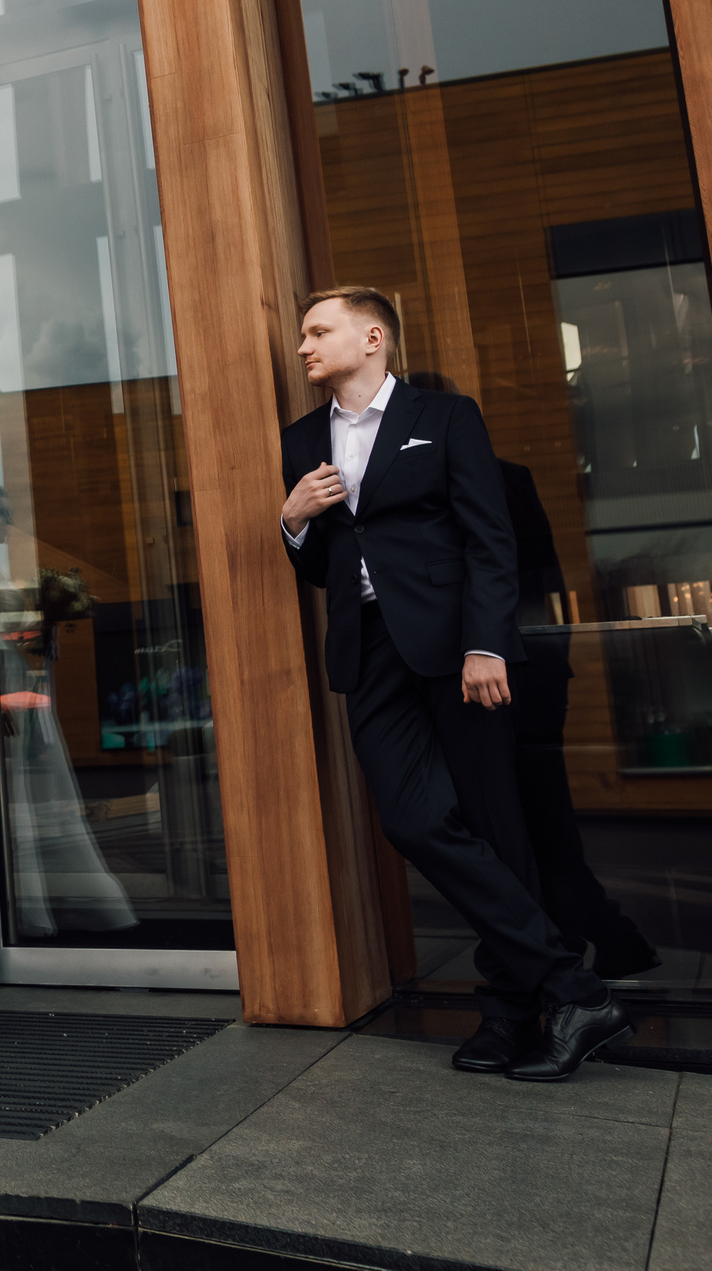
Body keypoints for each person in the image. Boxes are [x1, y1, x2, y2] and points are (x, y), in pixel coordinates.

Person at [280, 289, 628, 1081]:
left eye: (317, 331)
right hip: (369, 653)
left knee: (495, 824)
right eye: (303, 334)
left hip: (455, 648)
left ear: (373, 337)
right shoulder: (303, 436)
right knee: (412, 819)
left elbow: (487, 535)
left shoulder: (445, 416)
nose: (303, 346)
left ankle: (512, 1016)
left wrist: (485, 645)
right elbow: (321, 564)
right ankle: (573, 986)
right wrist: (293, 518)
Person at [402, 370, 658, 983]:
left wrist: (489, 649)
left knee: (520, 815)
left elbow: (520, 576)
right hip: (531, 664)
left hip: (501, 666)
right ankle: (589, 939)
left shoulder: (485, 479)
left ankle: (566, 948)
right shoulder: (507, 475)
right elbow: (544, 581)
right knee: (528, 813)